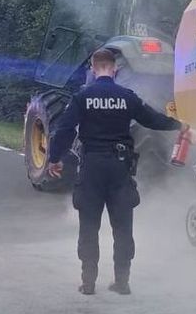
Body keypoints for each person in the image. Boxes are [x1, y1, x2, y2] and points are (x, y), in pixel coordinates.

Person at [47, 48, 184, 295]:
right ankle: (122, 282)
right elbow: (152, 119)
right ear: (115, 69)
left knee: (89, 226)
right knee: (123, 226)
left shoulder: (82, 97)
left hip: (91, 168)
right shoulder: (127, 96)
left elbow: (65, 130)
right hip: (120, 168)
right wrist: (179, 125)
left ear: (92, 69)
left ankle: (88, 283)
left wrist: (54, 159)